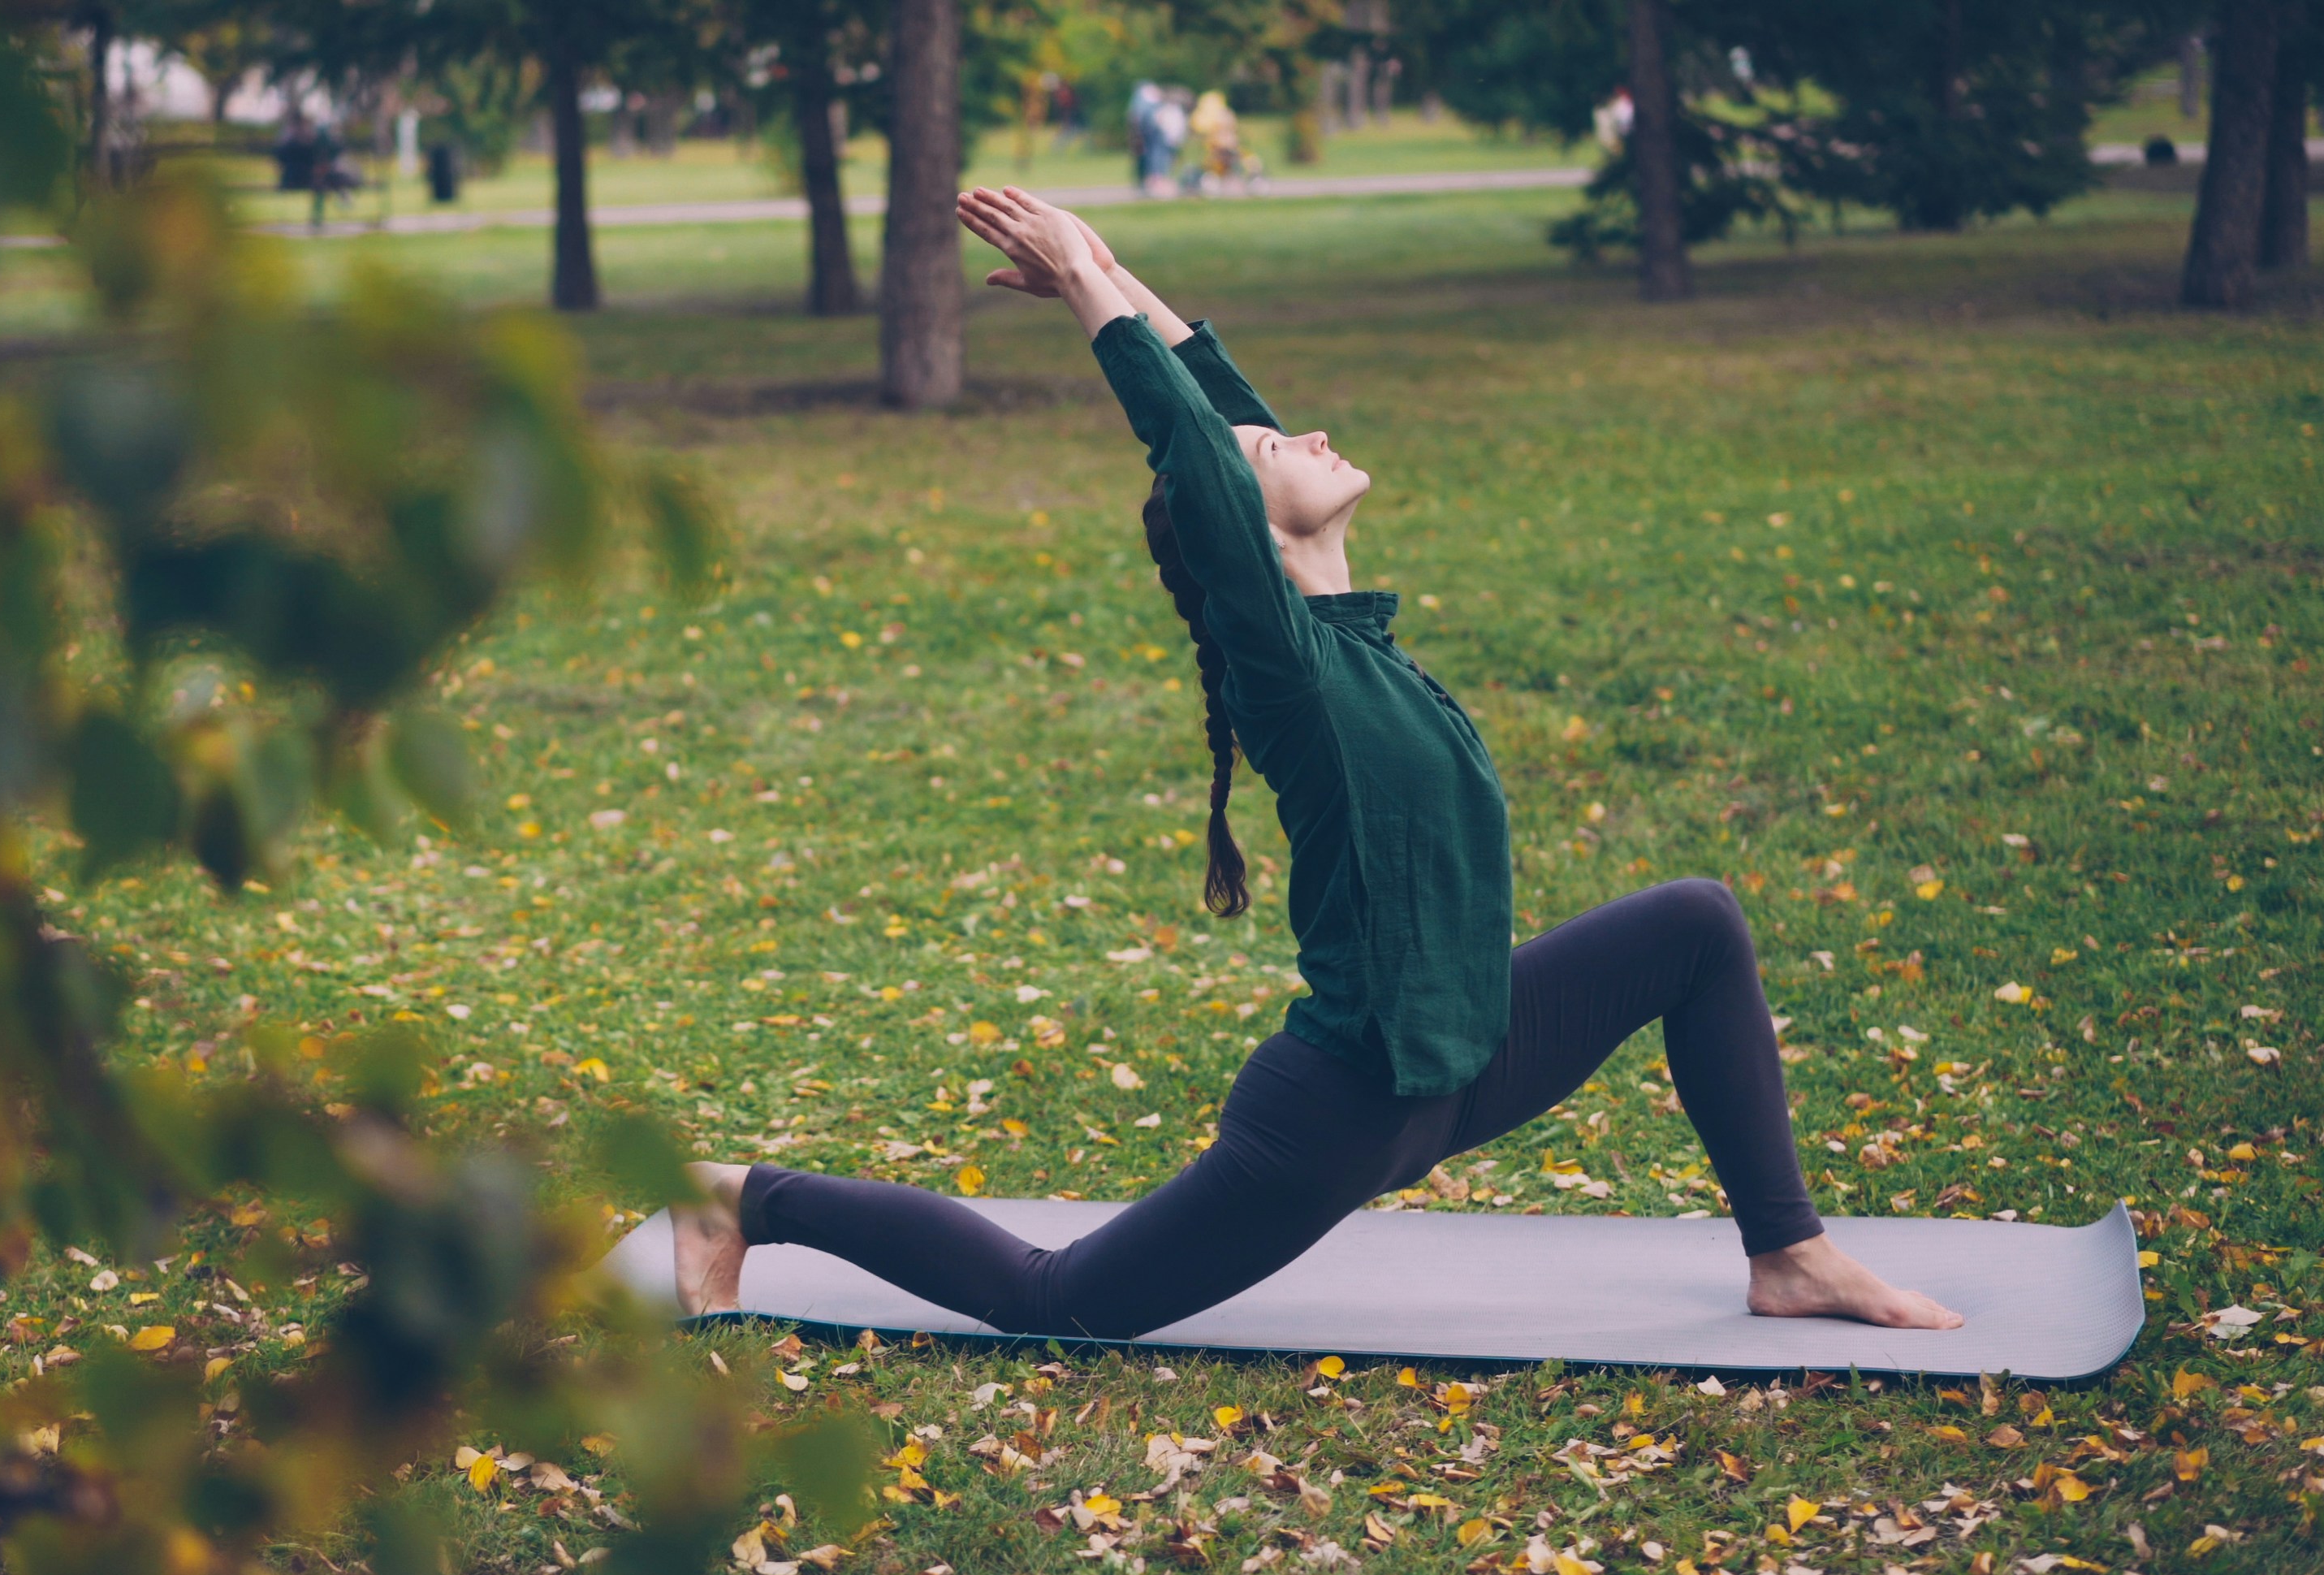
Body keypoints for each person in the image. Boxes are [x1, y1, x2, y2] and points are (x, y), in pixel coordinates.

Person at [671, 188, 1964, 1343]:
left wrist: (1118, 272)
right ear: (1241, 529)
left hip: (1468, 1053)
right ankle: (743, 1195)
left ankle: (1788, 1252)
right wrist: (1085, 295)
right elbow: (1197, 450)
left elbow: (1223, 413)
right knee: (1054, 1297)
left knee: (1697, 922)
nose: (1303, 433)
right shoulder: (1280, 661)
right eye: (1273, 454)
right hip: (1345, 1101)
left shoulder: (1353, 639)